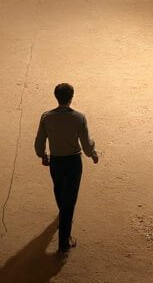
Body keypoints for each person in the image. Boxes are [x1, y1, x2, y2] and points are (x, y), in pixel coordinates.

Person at [34, 83, 100, 253]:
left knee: (58, 190)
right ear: (72, 97)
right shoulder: (79, 118)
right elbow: (86, 143)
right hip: (73, 163)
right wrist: (92, 154)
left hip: (56, 161)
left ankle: (63, 215)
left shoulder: (46, 117)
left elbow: (39, 140)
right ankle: (64, 240)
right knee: (70, 199)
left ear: (56, 97)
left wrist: (43, 155)